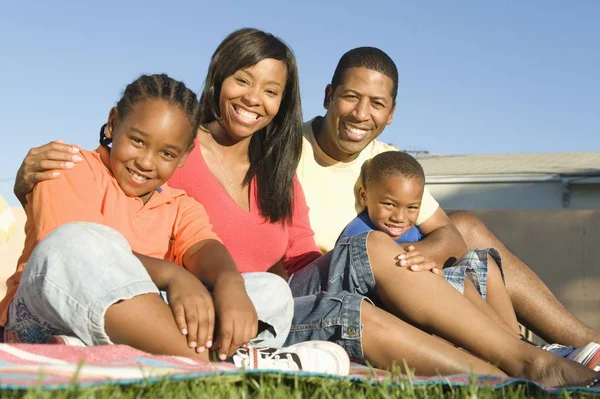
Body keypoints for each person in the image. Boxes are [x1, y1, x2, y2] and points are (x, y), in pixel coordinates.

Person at [11, 31, 600, 387]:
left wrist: (333, 276)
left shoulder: (271, 164)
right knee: (342, 281)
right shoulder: (180, 151)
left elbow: (277, 247)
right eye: (243, 81)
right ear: (218, 80)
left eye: (270, 91)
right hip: (197, 297)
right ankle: (512, 366)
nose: (254, 100)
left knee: (373, 256)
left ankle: (524, 363)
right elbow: (83, 227)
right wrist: (24, 181)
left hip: (266, 291)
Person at [0, 73, 349, 375]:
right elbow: (67, 257)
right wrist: (173, 275)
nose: (147, 162)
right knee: (74, 241)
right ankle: (227, 363)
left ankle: (109, 351)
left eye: (167, 153)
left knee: (270, 292)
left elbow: (204, 246)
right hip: (43, 313)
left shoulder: (178, 204)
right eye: (138, 140)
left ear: (183, 157)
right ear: (112, 123)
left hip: (140, 316)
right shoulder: (70, 165)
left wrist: (227, 281)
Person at [294, 46, 600, 348]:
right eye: (351, 97)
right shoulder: (287, 150)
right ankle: (522, 352)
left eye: (376, 103)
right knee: (396, 252)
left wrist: (419, 253)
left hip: (387, 276)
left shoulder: (385, 161)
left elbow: (451, 234)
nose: (361, 114)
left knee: (465, 224)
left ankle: (585, 345)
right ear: (328, 96)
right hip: (324, 284)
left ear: (390, 113)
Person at [339, 150, 521, 338]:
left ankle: (517, 337)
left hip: (431, 293)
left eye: (412, 208)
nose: (399, 218)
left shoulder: (415, 230)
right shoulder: (359, 235)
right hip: (397, 310)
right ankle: (513, 344)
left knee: (484, 262)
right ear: (364, 196)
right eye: (389, 205)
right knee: (458, 283)